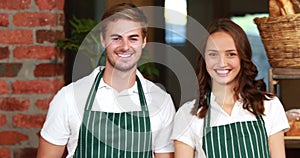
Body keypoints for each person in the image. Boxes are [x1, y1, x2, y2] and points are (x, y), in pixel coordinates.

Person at [37, 3, 175, 158]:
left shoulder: (161, 101)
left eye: (133, 38)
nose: (125, 46)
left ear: (143, 41)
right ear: (103, 40)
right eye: (116, 38)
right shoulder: (69, 97)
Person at [171, 18, 289, 158]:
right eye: (213, 54)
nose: (222, 63)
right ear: (204, 59)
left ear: (242, 57)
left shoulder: (269, 106)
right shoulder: (188, 114)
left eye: (231, 54)